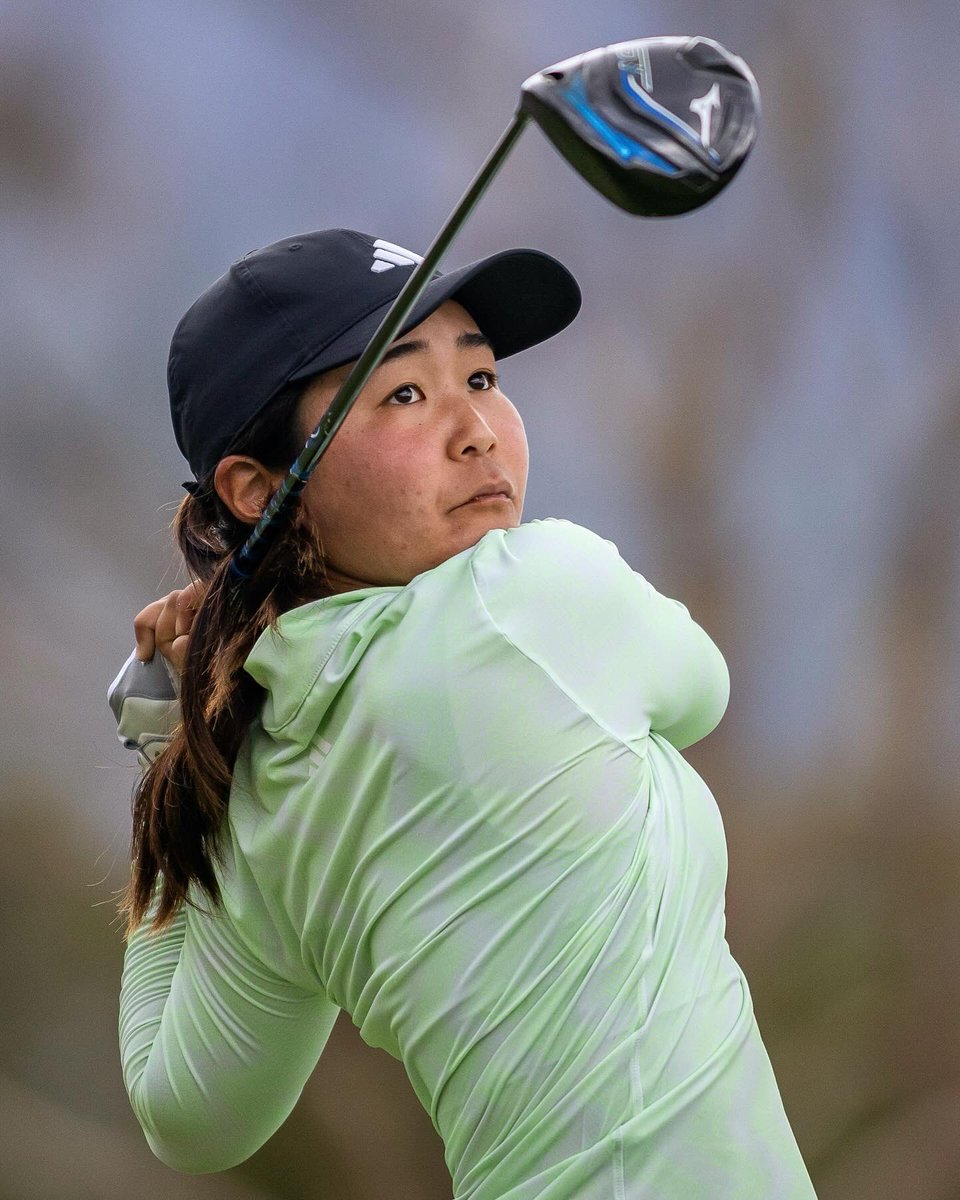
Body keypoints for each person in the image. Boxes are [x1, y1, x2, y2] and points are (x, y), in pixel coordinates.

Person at [109, 228, 817, 1198]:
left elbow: (186, 1115)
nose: (475, 427)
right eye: (404, 393)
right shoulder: (533, 594)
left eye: (480, 378)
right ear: (259, 489)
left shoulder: (259, 788)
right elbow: (701, 688)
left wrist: (170, 743)